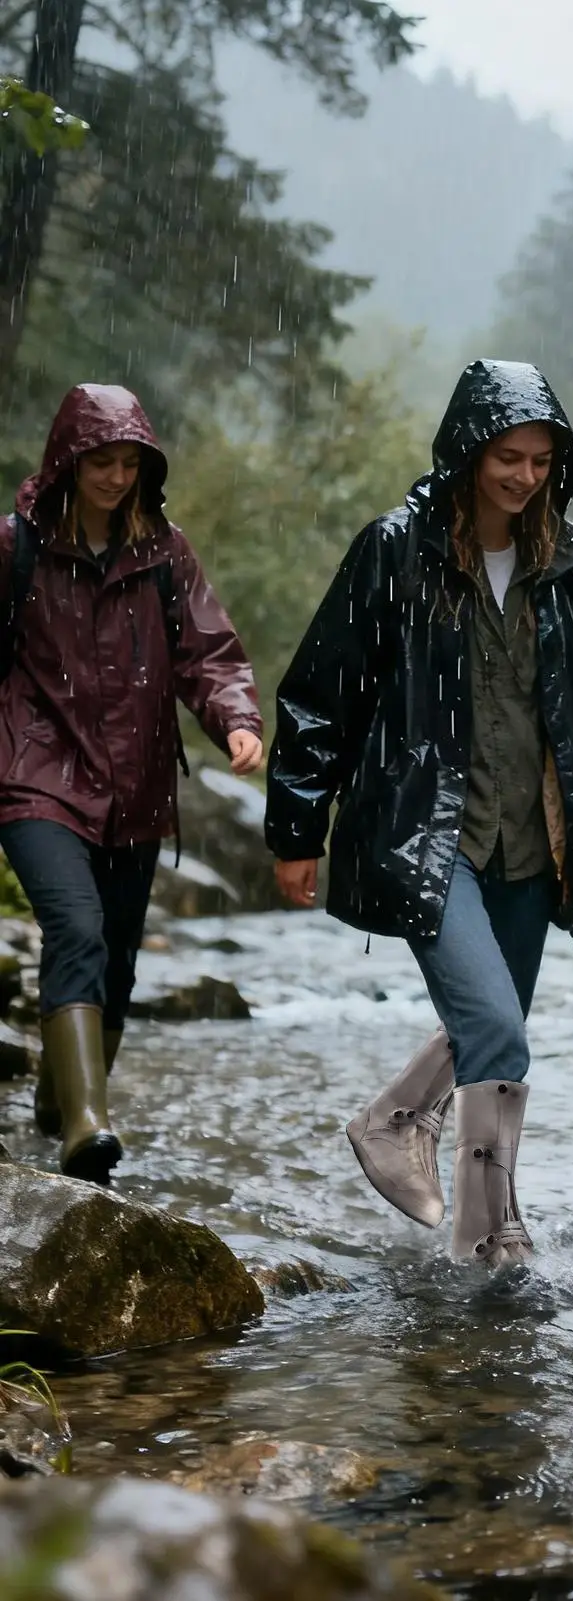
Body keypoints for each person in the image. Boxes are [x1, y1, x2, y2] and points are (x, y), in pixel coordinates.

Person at [265, 360, 573, 1269]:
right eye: (507, 458)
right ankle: (491, 1238)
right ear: (467, 452)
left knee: (494, 1033)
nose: (525, 477)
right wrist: (297, 828)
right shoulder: (395, 548)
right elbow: (322, 693)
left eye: (541, 461)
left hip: (533, 837)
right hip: (426, 830)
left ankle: (397, 1120)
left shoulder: (567, 561)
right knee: (497, 1030)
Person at [0, 383, 263, 1183]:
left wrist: (235, 719)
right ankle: (88, 1120)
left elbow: (209, 653)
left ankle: (59, 1104)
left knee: (115, 959)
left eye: (129, 464)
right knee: (76, 928)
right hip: (34, 772)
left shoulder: (164, 552)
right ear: (67, 461)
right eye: (101, 463)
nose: (116, 478)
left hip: (137, 785)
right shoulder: (16, 546)